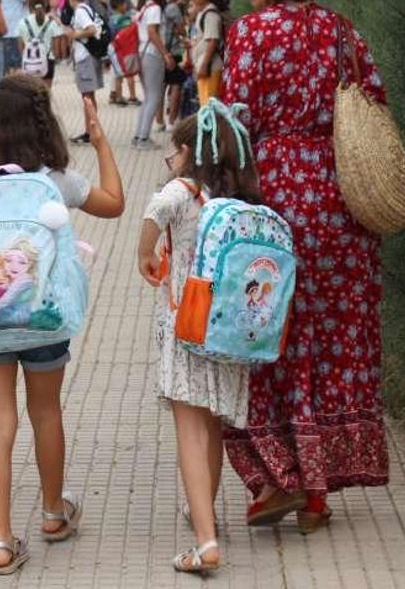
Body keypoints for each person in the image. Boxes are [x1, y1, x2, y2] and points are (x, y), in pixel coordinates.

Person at [220, 0, 391, 535]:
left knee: (268, 336)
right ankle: (318, 494)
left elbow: (235, 127)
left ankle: (280, 476)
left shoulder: (249, 36)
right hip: (341, 205)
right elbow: (375, 104)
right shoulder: (345, 34)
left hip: (275, 201)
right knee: (332, 341)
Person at [0, 74, 125, 575]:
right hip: (45, 317)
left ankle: (2, 541)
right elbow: (115, 204)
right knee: (46, 411)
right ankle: (54, 513)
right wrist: (101, 143)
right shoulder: (54, 180)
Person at [137, 102, 257, 576]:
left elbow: (153, 208)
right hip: (229, 330)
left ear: (188, 152)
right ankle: (202, 511)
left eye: (174, 151)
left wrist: (143, 253)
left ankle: (205, 542)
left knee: (189, 429)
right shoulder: (241, 199)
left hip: (186, 326)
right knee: (212, 427)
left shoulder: (182, 191)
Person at [132, 0, 174, 150]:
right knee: (155, 97)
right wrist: (166, 54)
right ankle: (143, 139)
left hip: (141, 52)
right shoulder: (155, 8)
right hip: (152, 54)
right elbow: (152, 32)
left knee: (148, 97)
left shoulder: (144, 6)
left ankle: (139, 136)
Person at [66, 0, 104, 145]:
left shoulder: (81, 11)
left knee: (87, 96)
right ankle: (91, 129)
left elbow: (91, 29)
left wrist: (75, 35)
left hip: (85, 57)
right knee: (88, 95)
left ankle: (91, 131)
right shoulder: (86, 8)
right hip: (89, 56)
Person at [190, 0, 230, 106]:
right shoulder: (203, 12)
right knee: (204, 105)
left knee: (209, 108)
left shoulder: (211, 14)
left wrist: (204, 65)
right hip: (204, 67)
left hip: (210, 68)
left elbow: (213, 40)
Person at [157, 0, 189, 130]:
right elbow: (181, 30)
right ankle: (171, 120)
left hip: (160, 50)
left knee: (161, 86)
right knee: (176, 85)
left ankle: (159, 121)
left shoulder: (157, 7)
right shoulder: (174, 9)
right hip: (174, 51)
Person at [16, 0, 59, 87]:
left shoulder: (22, 22)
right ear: (46, 3)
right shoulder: (51, 22)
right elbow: (55, 49)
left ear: (29, 4)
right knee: (46, 93)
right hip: (48, 61)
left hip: (29, 62)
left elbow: (21, 47)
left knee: (31, 92)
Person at [0, 0, 33, 73]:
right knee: (18, 66)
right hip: (15, 31)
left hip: (8, 29)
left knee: (9, 67)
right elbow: (30, 0)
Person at [108, 0, 140, 107]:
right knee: (130, 74)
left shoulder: (111, 20)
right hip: (127, 50)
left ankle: (119, 96)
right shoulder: (125, 20)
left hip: (115, 50)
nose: (126, 6)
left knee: (118, 75)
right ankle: (132, 96)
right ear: (120, 5)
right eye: (124, 4)